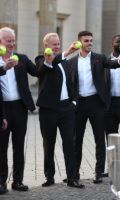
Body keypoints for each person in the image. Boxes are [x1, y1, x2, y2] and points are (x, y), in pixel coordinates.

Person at [69, 31, 120, 184]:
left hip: (96, 103)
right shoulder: (72, 62)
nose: (90, 43)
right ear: (79, 42)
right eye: (86, 41)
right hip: (79, 105)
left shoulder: (99, 58)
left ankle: (99, 172)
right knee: (76, 140)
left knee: (99, 139)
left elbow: (111, 64)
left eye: (91, 40)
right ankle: (74, 174)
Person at [35, 33, 84, 188]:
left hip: (67, 108)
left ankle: (72, 178)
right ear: (46, 46)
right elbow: (47, 66)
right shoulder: (41, 60)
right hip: (49, 110)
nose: (57, 46)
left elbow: (73, 82)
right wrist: (68, 51)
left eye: (58, 43)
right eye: (54, 44)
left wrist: (74, 102)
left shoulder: (65, 62)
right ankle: (49, 177)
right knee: (49, 144)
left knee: (70, 143)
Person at [0, 27, 37, 194]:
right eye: (8, 40)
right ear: (1, 42)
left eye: (13, 40)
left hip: (19, 108)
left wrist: (50, 59)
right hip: (3, 109)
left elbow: (38, 72)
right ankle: (1, 182)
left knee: (19, 146)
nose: (12, 44)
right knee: (1, 147)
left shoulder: (21, 58)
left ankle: (18, 181)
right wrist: (4, 69)